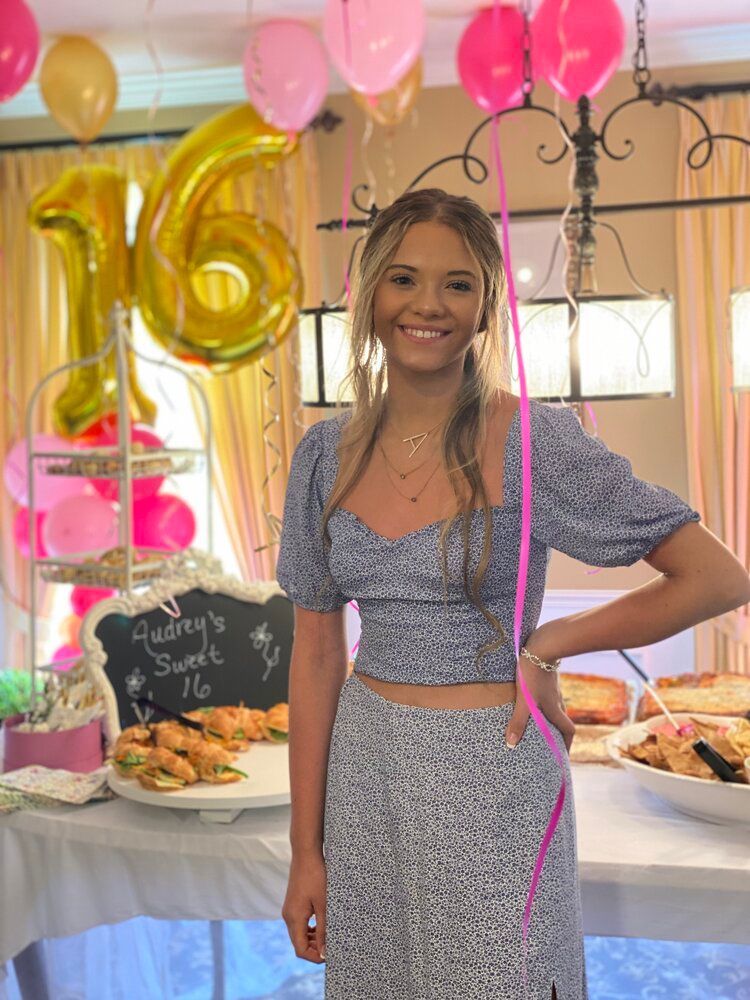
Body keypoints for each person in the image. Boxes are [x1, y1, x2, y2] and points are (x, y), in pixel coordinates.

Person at [276, 187, 750, 1000]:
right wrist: (306, 851)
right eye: (403, 279)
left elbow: (716, 577)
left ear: (488, 307)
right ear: (370, 296)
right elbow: (317, 653)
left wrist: (547, 645)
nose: (428, 304)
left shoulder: (536, 440)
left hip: (490, 773)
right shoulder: (323, 454)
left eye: (458, 284)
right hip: (365, 773)